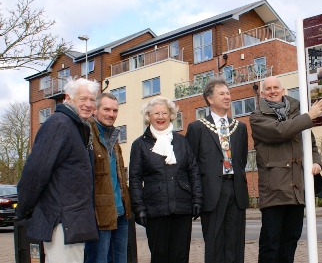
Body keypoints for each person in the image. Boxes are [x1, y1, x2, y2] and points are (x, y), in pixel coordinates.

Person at [16, 77, 100, 263]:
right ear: (68, 98)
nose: (88, 104)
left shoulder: (78, 127)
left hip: (73, 222)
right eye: (83, 99)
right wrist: (23, 209)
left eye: (92, 100)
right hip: (62, 221)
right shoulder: (59, 124)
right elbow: (36, 172)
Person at [249, 76, 322, 263]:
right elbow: (280, 131)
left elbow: (311, 144)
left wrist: (316, 162)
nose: (272, 91)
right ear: (262, 94)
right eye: (268, 88)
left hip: (297, 190)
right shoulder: (257, 117)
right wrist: (309, 116)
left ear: (283, 90)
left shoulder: (298, 113)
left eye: (276, 87)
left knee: (290, 241)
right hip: (274, 191)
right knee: (270, 243)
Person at [129, 96, 203, 263]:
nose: (160, 117)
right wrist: (139, 208)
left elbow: (194, 171)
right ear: (149, 116)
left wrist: (198, 199)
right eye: (156, 113)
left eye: (164, 113)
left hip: (182, 207)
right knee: (160, 257)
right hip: (155, 210)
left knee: (181, 256)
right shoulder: (139, 145)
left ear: (171, 115)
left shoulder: (181, 141)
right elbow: (134, 179)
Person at [186, 77, 249, 263]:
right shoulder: (197, 128)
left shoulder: (240, 128)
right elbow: (192, 165)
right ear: (209, 99)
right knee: (214, 241)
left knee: (235, 241)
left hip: (236, 190)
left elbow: (242, 160)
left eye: (228, 93)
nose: (227, 97)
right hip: (212, 192)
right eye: (222, 93)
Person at [84, 93, 131, 263]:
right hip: (99, 215)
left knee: (120, 260)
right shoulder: (86, 135)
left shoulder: (113, 138)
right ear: (95, 110)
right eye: (107, 109)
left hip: (120, 212)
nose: (111, 114)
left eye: (115, 110)